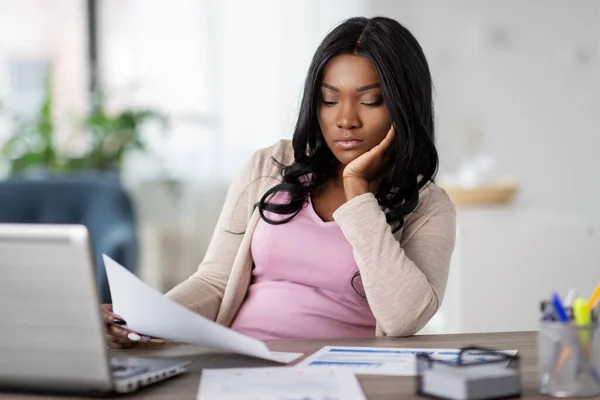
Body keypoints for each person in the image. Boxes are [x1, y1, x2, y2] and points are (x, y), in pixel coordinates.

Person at [104, 16, 456, 348]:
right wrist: (143, 321)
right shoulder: (268, 166)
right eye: (329, 100)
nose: (346, 119)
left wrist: (358, 193)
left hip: (344, 375)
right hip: (239, 361)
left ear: (404, 105)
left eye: (370, 101)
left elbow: (403, 318)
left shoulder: (429, 206)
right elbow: (214, 282)